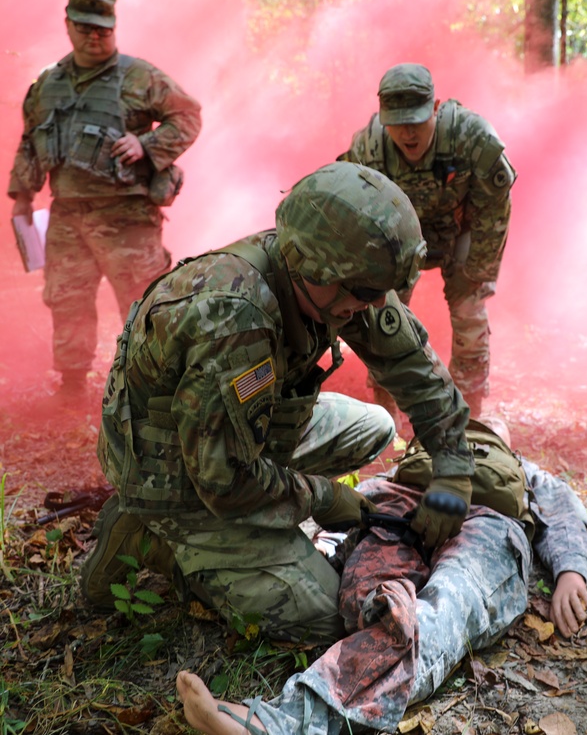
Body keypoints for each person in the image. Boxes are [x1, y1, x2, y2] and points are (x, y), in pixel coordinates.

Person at [79, 162, 479, 644]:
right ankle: (152, 538)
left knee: (373, 425)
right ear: (316, 267)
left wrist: (453, 469)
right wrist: (323, 497)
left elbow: (413, 366)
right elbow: (223, 481)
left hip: (238, 434)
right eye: (367, 293)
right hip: (172, 474)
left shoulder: (333, 275)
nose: (375, 305)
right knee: (322, 617)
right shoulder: (235, 317)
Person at [175, 416, 587, 735]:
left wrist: (570, 572)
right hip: (404, 507)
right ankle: (386, 614)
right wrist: (324, 540)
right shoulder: (414, 464)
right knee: (368, 599)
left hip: (486, 523)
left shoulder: (524, 470)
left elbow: (564, 517)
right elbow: (359, 503)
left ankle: (279, 723)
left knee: (450, 602)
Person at [7, 0, 202, 401]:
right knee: (67, 298)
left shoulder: (140, 76)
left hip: (127, 215)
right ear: (69, 25)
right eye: (86, 27)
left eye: (103, 29)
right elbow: (30, 142)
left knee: (144, 302)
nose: (95, 36)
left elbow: (187, 116)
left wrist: (145, 145)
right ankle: (73, 383)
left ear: (114, 27)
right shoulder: (47, 84)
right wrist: (23, 198)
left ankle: (155, 385)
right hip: (66, 214)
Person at [338, 63, 516, 420]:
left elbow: (493, 208)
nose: (407, 133)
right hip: (397, 237)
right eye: (397, 123)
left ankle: (469, 413)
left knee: (469, 310)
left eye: (416, 120)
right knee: (383, 314)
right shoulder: (369, 148)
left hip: (458, 231)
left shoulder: (472, 137)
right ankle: (385, 410)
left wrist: (478, 271)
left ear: (435, 108)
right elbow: (352, 212)